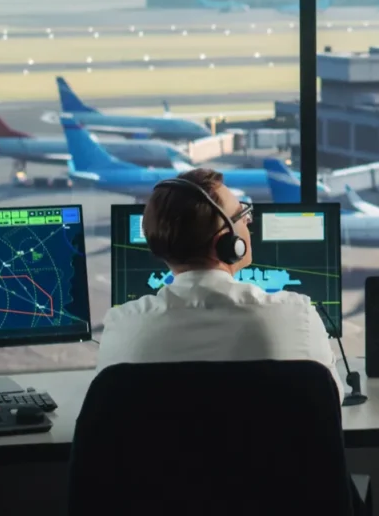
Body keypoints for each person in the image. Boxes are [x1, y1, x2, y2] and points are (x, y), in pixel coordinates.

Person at [97, 168, 342, 399]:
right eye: (243, 215)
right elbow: (331, 402)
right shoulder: (297, 316)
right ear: (227, 242)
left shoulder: (122, 326)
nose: (248, 222)